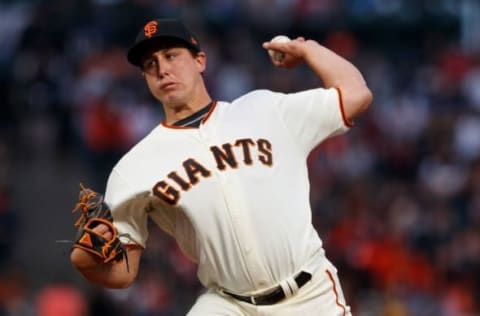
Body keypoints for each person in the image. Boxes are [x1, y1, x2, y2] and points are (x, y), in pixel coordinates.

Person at [70, 17, 373, 315]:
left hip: (309, 295)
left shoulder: (264, 109)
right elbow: (124, 273)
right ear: (145, 78)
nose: (162, 69)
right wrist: (86, 264)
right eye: (150, 64)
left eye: (172, 56)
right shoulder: (133, 168)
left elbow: (356, 94)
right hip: (229, 304)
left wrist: (308, 50)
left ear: (200, 61)